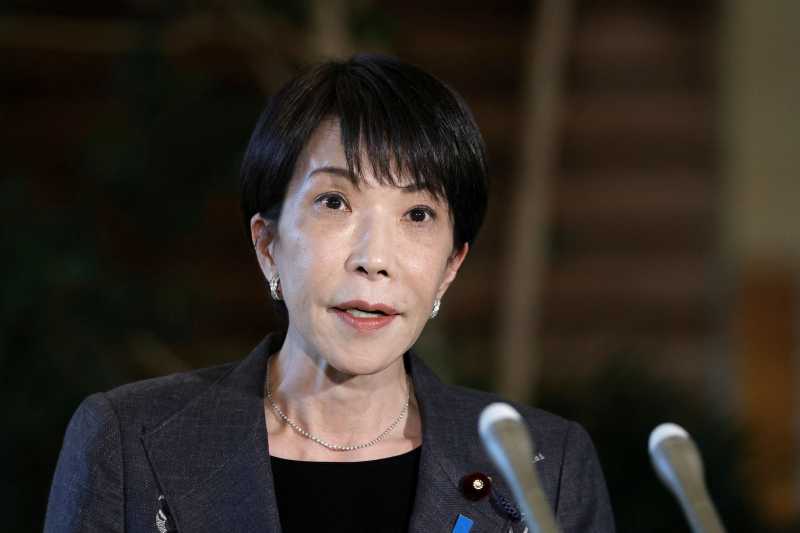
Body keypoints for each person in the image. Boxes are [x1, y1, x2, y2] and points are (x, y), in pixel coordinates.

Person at [45, 54, 615, 533]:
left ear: (450, 266)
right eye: (335, 202)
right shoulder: (128, 442)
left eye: (417, 214)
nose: (374, 258)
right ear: (268, 244)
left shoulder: (544, 468)